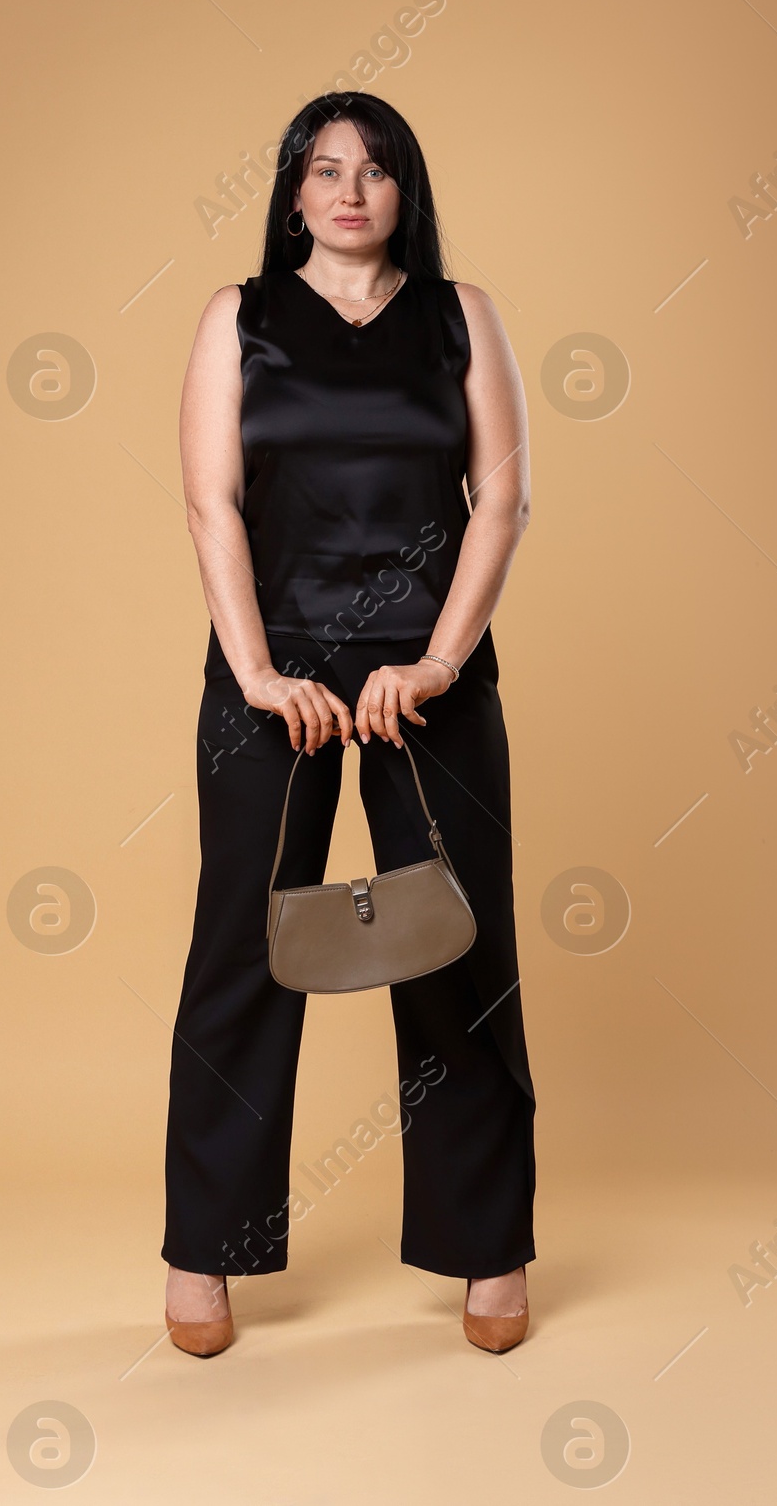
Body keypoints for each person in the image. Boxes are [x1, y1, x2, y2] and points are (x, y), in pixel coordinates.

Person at [162, 90, 536, 1357]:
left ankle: (488, 1246)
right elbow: (212, 504)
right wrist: (260, 675)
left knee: (459, 959)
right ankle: (204, 1251)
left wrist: (436, 660)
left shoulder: (460, 316)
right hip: (277, 681)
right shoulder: (239, 318)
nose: (350, 190)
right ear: (292, 191)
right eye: (325, 170)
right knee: (239, 956)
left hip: (429, 681)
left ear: (404, 190)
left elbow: (501, 503)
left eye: (375, 170)